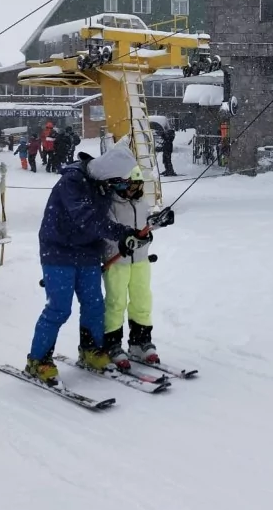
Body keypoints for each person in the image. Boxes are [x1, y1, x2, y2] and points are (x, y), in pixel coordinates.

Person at [24, 145, 151, 383]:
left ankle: (90, 349)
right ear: (108, 174)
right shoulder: (73, 182)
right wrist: (122, 233)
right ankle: (38, 360)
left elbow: (108, 219)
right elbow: (87, 218)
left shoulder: (103, 183)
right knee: (59, 308)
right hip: (58, 249)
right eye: (119, 183)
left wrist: (126, 239)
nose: (121, 188)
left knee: (94, 304)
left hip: (89, 250)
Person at [102, 166, 174, 367]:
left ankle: (140, 342)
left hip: (140, 260)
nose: (134, 190)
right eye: (131, 185)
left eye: (138, 185)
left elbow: (145, 226)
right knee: (116, 302)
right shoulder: (111, 204)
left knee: (142, 300)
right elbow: (108, 232)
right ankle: (112, 344)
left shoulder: (141, 203)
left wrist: (158, 222)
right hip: (117, 261)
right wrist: (124, 242)